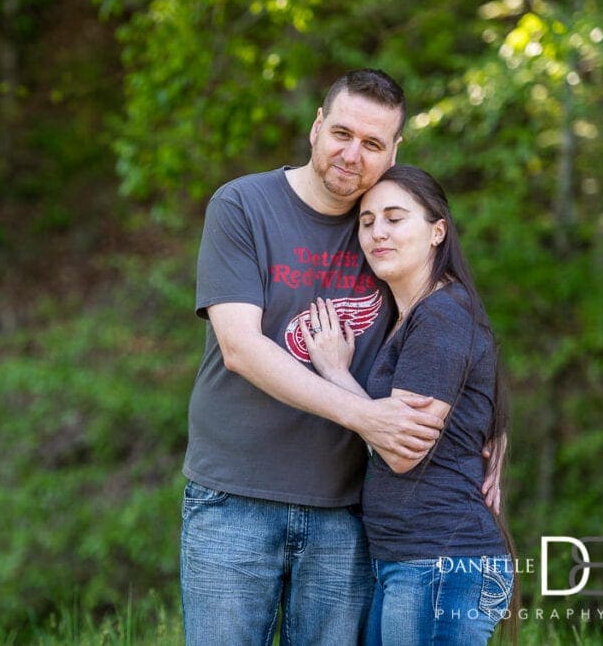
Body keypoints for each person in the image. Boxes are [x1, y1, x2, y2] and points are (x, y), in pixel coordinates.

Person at [182, 69, 466, 644]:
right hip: (233, 498)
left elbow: (453, 326)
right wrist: (365, 415)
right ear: (316, 126)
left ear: (393, 151)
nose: (351, 154)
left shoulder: (388, 228)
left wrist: (491, 434)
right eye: (341, 132)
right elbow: (241, 347)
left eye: (372, 143)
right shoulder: (243, 205)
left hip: (347, 508)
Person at [299, 164, 517, 645]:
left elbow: (402, 449)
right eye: (368, 220)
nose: (378, 232)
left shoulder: (440, 315)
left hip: (440, 561)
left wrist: (335, 373)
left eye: (395, 218)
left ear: (437, 230)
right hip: (411, 560)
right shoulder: (410, 317)